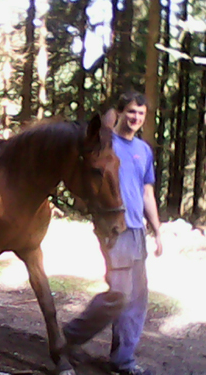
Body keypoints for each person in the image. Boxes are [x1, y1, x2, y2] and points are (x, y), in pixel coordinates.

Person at [63, 91, 163, 375]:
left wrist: (156, 229)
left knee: (137, 297)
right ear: (120, 112)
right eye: (131, 112)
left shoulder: (144, 150)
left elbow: (147, 192)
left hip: (137, 230)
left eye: (141, 114)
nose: (136, 118)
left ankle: (123, 360)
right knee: (120, 293)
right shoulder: (106, 144)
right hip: (113, 227)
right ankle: (70, 336)